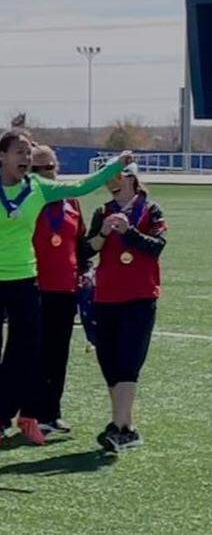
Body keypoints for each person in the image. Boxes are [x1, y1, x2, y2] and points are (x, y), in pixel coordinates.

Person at [0, 129, 132, 449]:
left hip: (25, 280)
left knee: (26, 351)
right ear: (1, 156)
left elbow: (81, 186)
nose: (26, 158)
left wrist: (115, 166)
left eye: (29, 153)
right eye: (19, 152)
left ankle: (28, 417)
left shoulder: (40, 188)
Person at [82, 166, 166, 452]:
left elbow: (157, 246)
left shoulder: (150, 209)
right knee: (109, 361)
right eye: (108, 179)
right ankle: (127, 427)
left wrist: (128, 232)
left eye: (117, 177)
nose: (112, 184)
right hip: (106, 296)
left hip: (140, 296)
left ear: (131, 178)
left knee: (129, 360)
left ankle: (116, 427)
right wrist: (103, 233)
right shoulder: (101, 212)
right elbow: (86, 250)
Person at [30, 145, 82, 435]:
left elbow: (80, 240)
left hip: (65, 287)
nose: (45, 173)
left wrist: (83, 270)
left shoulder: (70, 200)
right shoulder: (27, 199)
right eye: (38, 169)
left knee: (59, 352)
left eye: (50, 167)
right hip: (34, 286)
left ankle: (53, 411)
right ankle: (31, 412)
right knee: (35, 351)